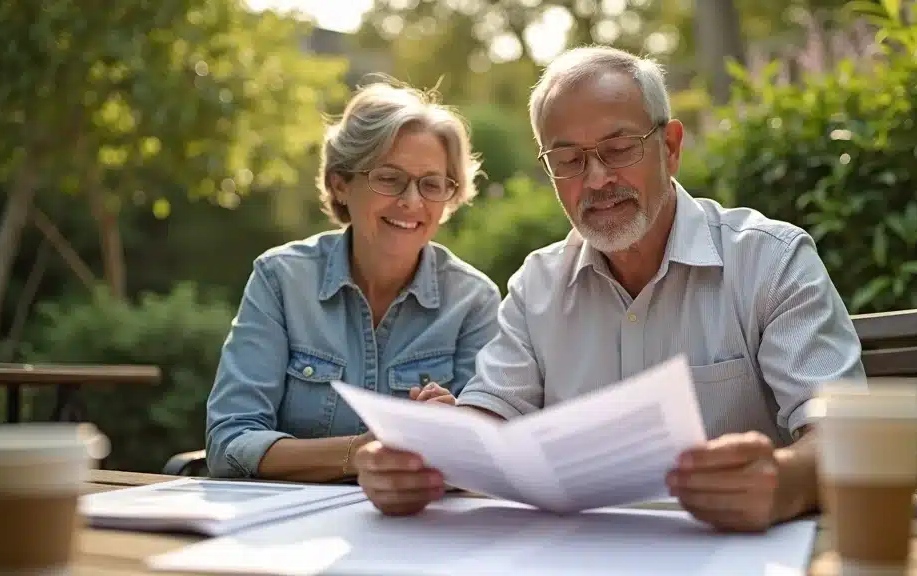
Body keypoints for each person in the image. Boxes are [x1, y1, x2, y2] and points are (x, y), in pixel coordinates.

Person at [354, 46, 866, 531]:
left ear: (670, 147)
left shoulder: (768, 260)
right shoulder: (537, 286)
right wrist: (424, 459)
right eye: (569, 161)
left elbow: (846, 433)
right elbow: (487, 423)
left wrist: (785, 483)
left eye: (619, 149)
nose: (596, 179)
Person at [204, 81, 502, 483]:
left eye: (431, 184)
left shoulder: (473, 300)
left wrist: (451, 435)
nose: (412, 201)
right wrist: (357, 454)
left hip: (420, 530)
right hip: (288, 531)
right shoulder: (281, 279)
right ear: (341, 184)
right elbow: (230, 442)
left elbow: (489, 456)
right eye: (389, 178)